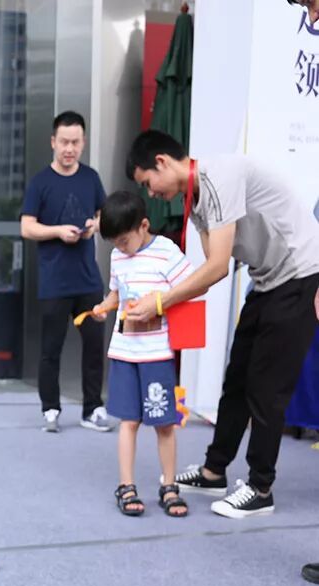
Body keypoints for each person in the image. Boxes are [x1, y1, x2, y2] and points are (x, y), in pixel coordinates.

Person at [126, 131, 319, 535]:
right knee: (237, 381)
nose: (151, 193)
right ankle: (214, 471)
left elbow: (215, 268)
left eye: (148, 182)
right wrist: (155, 296)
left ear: (162, 162)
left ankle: (260, 488)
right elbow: (210, 266)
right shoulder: (197, 201)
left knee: (266, 388)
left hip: (302, 275)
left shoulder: (221, 176)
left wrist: (159, 302)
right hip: (268, 281)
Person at [91, 192, 195, 517]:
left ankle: (169, 485)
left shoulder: (166, 252)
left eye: (124, 241)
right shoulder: (118, 257)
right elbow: (116, 294)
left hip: (158, 355)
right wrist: (104, 307)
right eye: (115, 244)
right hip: (124, 353)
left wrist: (159, 303)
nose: (121, 248)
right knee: (129, 422)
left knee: (164, 423)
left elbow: (189, 289)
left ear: (144, 226)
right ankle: (126, 485)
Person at [21, 111, 111, 433]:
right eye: (64, 142)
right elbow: (27, 227)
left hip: (88, 279)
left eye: (75, 142)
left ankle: (93, 408)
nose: (69, 148)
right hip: (55, 281)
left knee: (94, 345)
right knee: (51, 349)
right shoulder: (41, 182)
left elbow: (105, 216)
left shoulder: (91, 178)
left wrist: (94, 226)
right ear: (53, 142)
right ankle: (50, 409)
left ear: (83, 143)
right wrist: (58, 231)